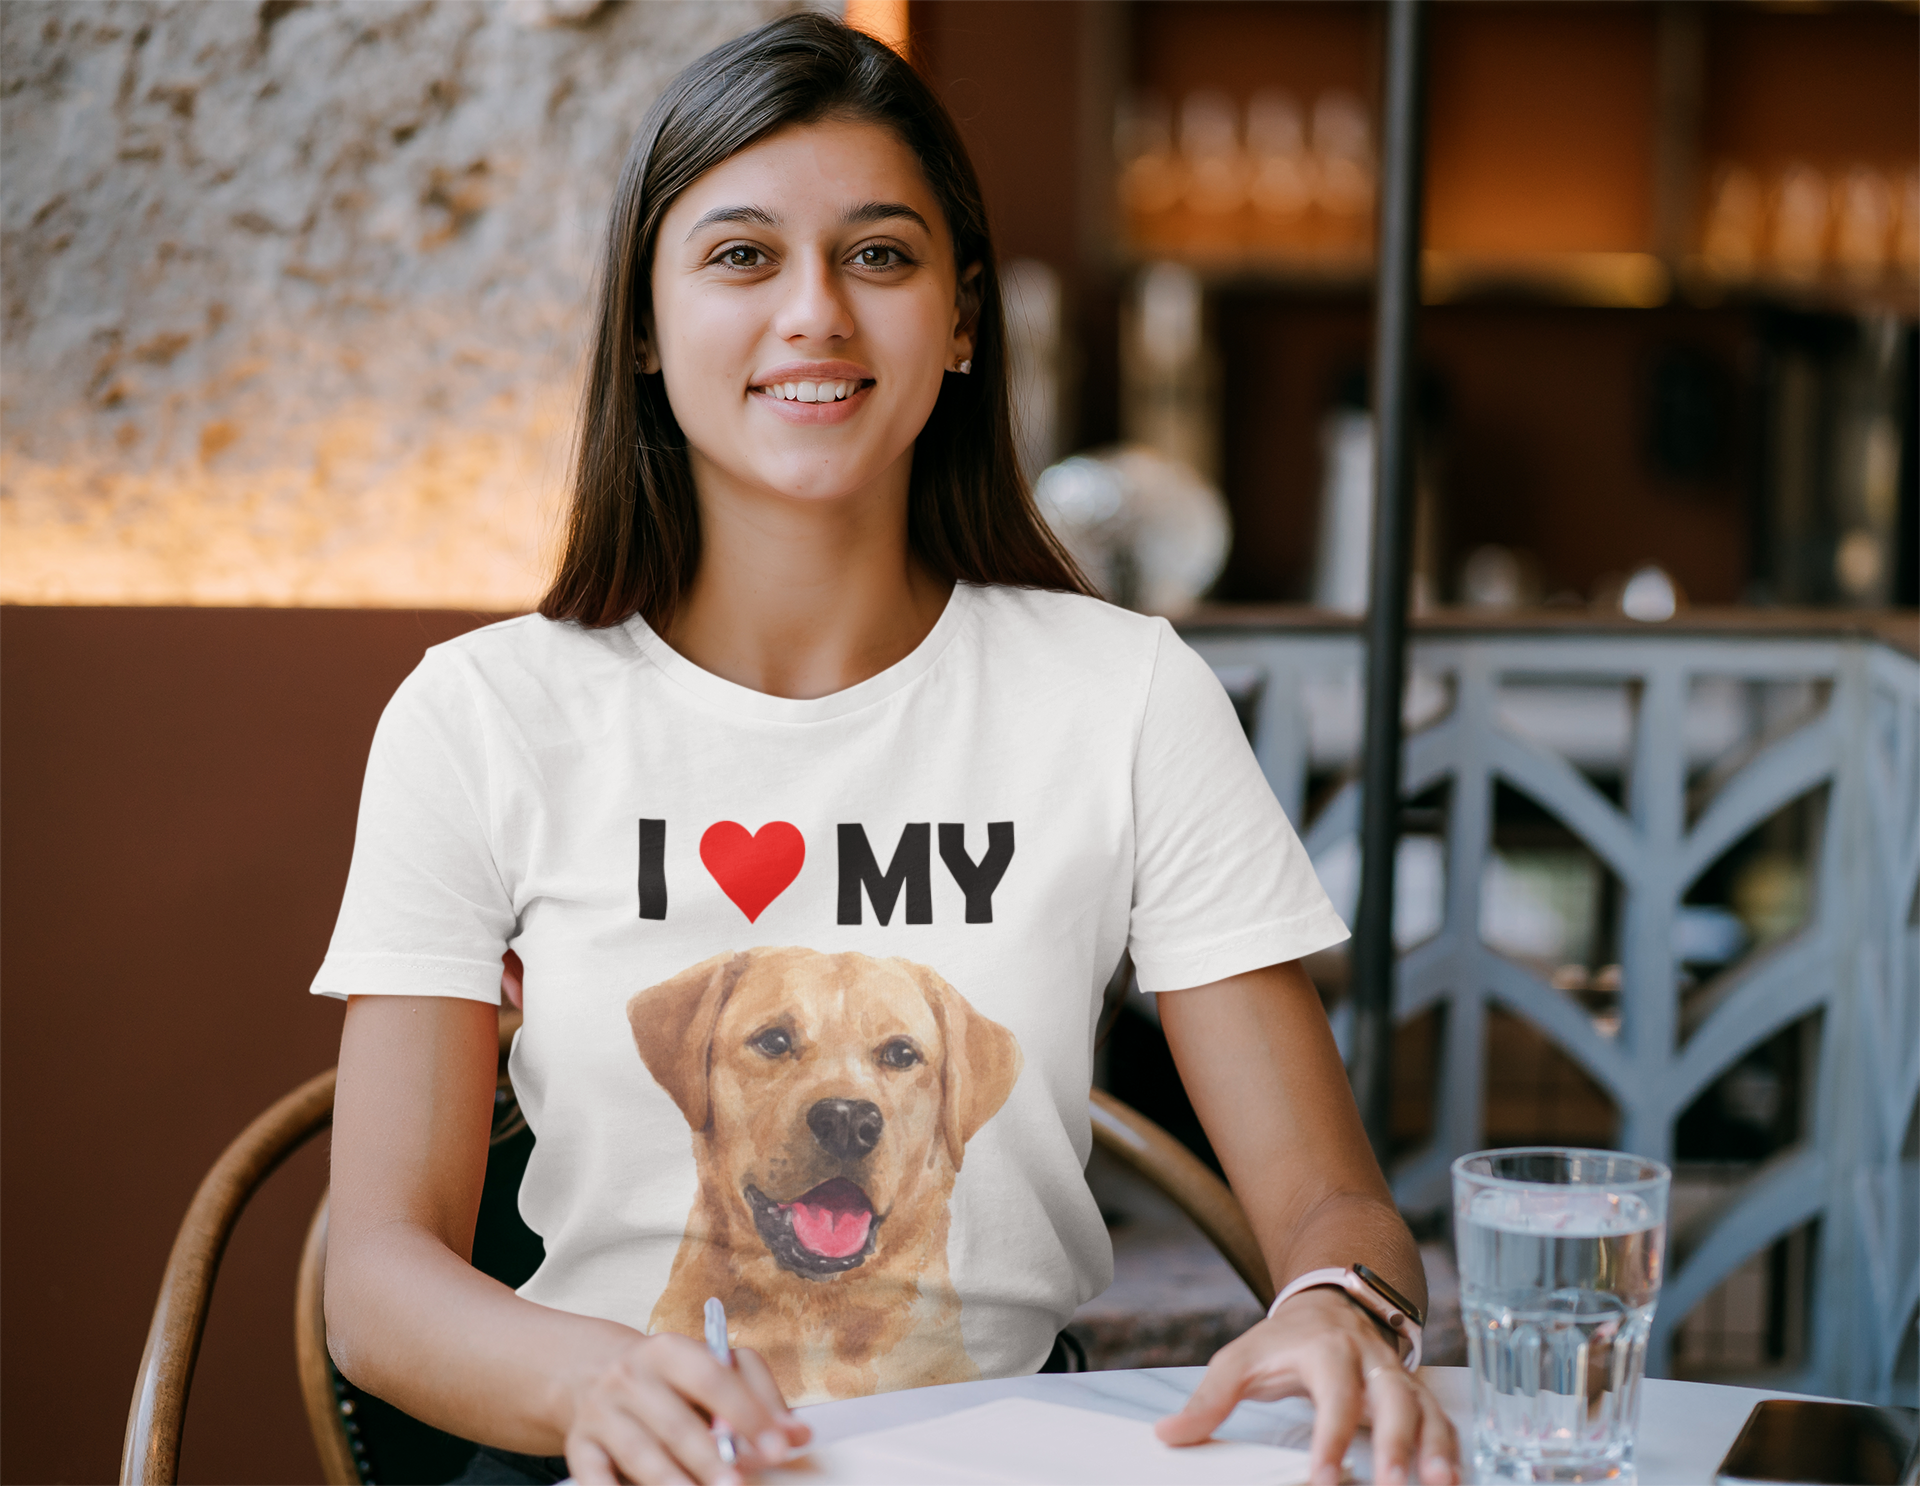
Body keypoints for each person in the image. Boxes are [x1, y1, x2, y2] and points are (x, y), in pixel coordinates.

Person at [315, 15, 1459, 1486]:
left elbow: (1334, 1206)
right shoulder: (482, 716)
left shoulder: (1121, 696)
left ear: (963, 317)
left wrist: (1338, 1309)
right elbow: (377, 1283)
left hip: (1010, 1456)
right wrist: (602, 1386)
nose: (815, 314)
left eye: (880, 254)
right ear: (647, 328)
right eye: (741, 256)